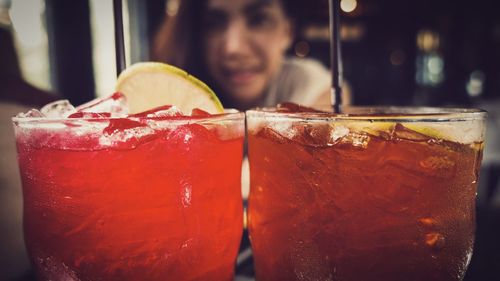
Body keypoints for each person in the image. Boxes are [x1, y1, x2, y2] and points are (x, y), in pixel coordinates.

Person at [152, 0, 350, 111]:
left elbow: (336, 97)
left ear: (287, 32)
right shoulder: (170, 97)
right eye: (214, 23)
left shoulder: (305, 81)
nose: (234, 48)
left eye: (259, 20)